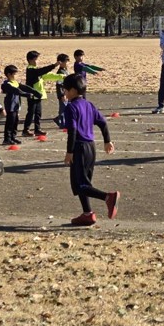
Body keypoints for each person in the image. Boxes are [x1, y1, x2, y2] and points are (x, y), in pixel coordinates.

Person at [62, 74, 120, 226]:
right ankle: (87, 214)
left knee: (82, 184)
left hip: (79, 147)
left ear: (73, 90)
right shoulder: (89, 105)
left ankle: (108, 197)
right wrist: (107, 140)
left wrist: (69, 152)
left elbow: (72, 131)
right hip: (91, 147)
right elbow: (103, 122)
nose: (65, 94)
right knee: (80, 182)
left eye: (66, 90)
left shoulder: (71, 107)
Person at [22, 50, 61, 137]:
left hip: (38, 95)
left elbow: (43, 72)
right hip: (32, 95)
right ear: (30, 60)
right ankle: (26, 129)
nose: (37, 61)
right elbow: (42, 71)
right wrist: (54, 65)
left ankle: (37, 129)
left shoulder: (35, 69)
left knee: (38, 113)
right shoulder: (30, 69)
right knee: (31, 113)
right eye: (36, 59)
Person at [0, 65, 40, 145]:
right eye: (14, 74)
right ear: (9, 74)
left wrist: (34, 92)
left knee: (15, 122)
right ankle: (7, 139)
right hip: (10, 106)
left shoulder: (15, 82)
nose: (16, 76)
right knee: (10, 123)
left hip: (16, 106)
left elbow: (23, 87)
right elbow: (17, 91)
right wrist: (27, 95)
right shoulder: (7, 84)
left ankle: (13, 137)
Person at [53, 53, 71, 128]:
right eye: (66, 62)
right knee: (63, 108)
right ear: (61, 63)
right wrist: (62, 95)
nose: (67, 63)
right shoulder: (60, 72)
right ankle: (62, 123)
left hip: (67, 93)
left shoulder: (65, 71)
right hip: (63, 94)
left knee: (66, 108)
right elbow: (59, 85)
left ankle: (59, 119)